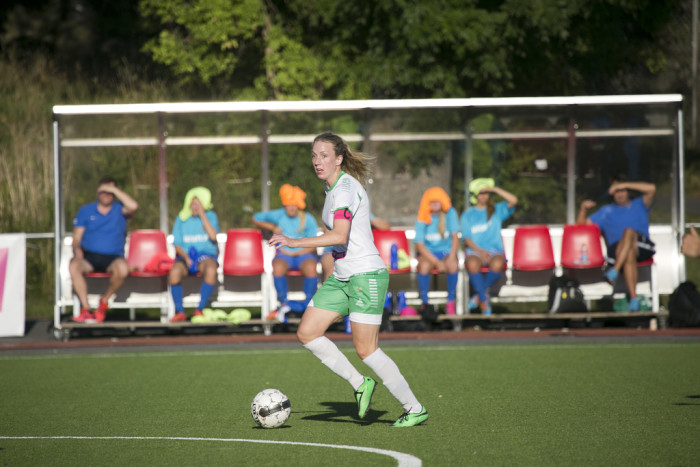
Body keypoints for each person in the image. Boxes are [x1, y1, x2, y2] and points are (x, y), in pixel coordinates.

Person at [269, 132, 428, 427]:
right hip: (343, 277)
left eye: (324, 155)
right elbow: (339, 242)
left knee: (366, 349)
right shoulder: (331, 190)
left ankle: (414, 407)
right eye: (314, 156)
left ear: (339, 159)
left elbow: (339, 235)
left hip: (365, 275)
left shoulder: (343, 190)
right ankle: (360, 384)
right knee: (307, 332)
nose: (318, 161)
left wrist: (294, 241)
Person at [577, 178, 656, 311]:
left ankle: (614, 271)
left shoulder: (639, 204)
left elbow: (652, 188)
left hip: (642, 246)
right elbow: (580, 228)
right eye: (616, 191)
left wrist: (624, 184)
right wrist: (583, 210)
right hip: (618, 252)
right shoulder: (605, 211)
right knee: (628, 253)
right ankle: (633, 299)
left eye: (622, 190)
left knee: (629, 231)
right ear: (612, 194)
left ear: (627, 191)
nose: (620, 194)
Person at [69, 176, 139, 323]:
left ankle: (104, 302)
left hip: (113, 257)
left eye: (110, 192)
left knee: (123, 270)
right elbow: (76, 238)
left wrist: (112, 189)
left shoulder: (120, 209)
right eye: (103, 191)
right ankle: (86, 309)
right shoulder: (86, 210)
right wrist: (77, 249)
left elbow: (133, 206)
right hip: (90, 257)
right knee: (74, 266)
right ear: (98, 192)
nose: (106, 195)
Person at [252, 184, 319, 320]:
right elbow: (255, 217)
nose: (291, 208)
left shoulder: (308, 219)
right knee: (277, 267)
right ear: (285, 205)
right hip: (283, 255)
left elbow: (314, 244)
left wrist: (295, 252)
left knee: (311, 267)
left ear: (299, 205)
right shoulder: (279, 215)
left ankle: (309, 305)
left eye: (294, 205)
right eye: (288, 204)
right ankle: (284, 303)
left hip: (303, 254)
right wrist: (273, 226)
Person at [460, 178, 518, 316]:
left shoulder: (497, 210)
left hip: (494, 251)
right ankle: (484, 299)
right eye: (480, 193)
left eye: (486, 193)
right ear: (475, 196)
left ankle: (480, 296)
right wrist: (480, 251)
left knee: (498, 263)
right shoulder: (467, 215)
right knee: (472, 264)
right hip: (475, 251)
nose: (484, 196)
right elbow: (467, 238)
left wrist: (495, 189)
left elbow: (514, 200)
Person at [169, 187, 220, 322]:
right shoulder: (181, 218)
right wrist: (186, 257)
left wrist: (203, 215)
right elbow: (177, 244)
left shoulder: (210, 216)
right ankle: (179, 312)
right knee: (174, 272)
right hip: (185, 256)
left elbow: (214, 237)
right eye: (192, 204)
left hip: (205, 256)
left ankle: (199, 310)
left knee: (211, 269)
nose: (195, 207)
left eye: (198, 204)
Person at [413, 187, 460, 315]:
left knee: (453, 265)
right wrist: (436, 262)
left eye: (437, 201)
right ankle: (425, 303)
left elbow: (455, 237)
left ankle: (450, 302)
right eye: (431, 202)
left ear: (443, 202)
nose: (434, 204)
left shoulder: (450, 214)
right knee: (423, 266)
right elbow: (420, 245)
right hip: (428, 254)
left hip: (446, 253)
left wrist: (451, 257)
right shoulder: (422, 216)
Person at [320, 214, 390, 281]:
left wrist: (367, 220)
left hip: (356, 252)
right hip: (331, 251)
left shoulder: (361, 211)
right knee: (333, 270)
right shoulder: (332, 212)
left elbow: (386, 226)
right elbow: (329, 233)